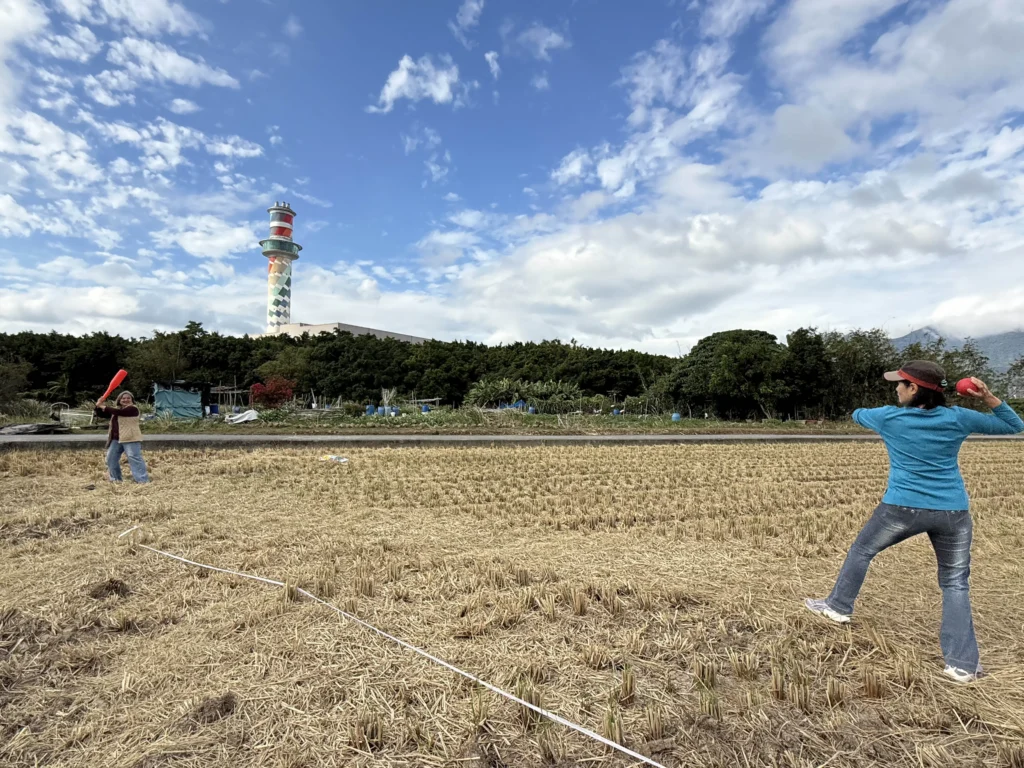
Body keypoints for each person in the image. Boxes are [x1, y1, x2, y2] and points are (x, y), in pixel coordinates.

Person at [804, 360, 1023, 683]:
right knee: (954, 583)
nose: (896, 388)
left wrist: (875, 413)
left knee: (862, 551)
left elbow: (857, 414)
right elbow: (1013, 425)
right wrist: (988, 397)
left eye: (900, 384)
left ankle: (838, 607)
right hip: (953, 512)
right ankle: (962, 665)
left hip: (902, 508)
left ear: (914, 388)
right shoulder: (958, 418)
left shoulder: (889, 418)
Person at [94, 391, 149, 484]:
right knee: (110, 459)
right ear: (119, 400)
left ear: (132, 400)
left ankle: (142, 480)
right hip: (116, 439)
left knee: (134, 458)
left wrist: (102, 406)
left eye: (128, 398)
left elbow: (120, 412)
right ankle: (116, 479)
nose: (126, 400)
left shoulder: (133, 409)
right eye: (123, 398)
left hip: (131, 438)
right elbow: (101, 414)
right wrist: (98, 405)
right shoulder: (116, 410)